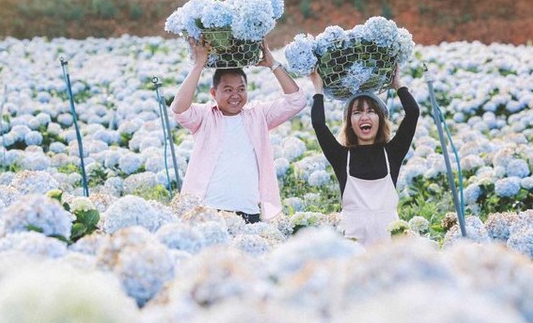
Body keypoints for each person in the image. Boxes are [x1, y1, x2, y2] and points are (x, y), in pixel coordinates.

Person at [171, 37, 307, 223]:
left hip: (248, 212)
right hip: (207, 210)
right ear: (213, 93)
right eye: (228, 90)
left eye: (241, 89)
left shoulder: (258, 115)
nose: (235, 95)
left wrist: (272, 64)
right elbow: (179, 109)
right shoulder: (205, 117)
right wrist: (198, 65)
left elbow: (297, 101)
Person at [309, 66, 419, 245]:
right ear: (349, 123)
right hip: (353, 245)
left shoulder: (392, 153)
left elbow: (413, 113)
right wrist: (318, 88)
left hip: (389, 244)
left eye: (371, 111)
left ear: (380, 119)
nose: (364, 117)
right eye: (357, 112)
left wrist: (397, 84)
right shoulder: (341, 157)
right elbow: (318, 124)